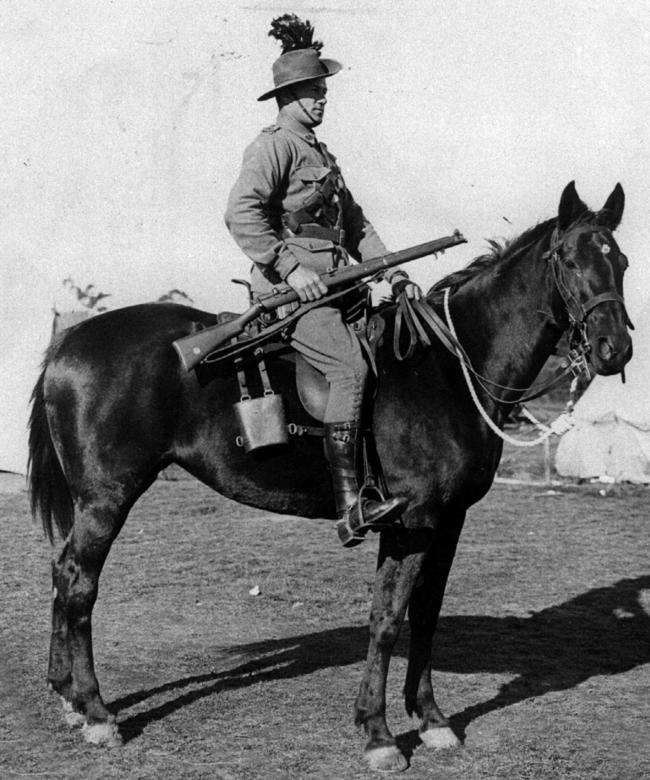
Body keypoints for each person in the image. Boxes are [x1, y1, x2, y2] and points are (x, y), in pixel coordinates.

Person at [224, 14, 421, 547]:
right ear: (286, 97)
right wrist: (291, 267)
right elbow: (242, 213)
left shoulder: (323, 156)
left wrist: (396, 272)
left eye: (323, 90)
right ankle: (350, 504)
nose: (321, 100)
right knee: (351, 368)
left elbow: (356, 227)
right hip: (292, 296)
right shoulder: (274, 147)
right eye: (311, 91)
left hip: (340, 290)